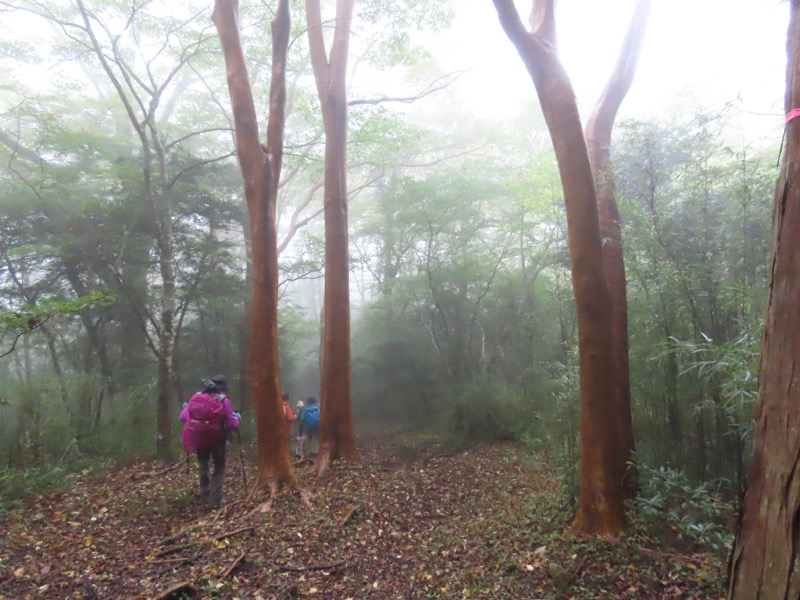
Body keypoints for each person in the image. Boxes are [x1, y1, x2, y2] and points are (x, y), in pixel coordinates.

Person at [180, 374, 240, 508]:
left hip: (200, 439)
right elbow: (232, 424)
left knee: (203, 466)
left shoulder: (196, 398)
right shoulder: (224, 400)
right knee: (219, 467)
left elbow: (182, 417)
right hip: (218, 439)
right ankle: (216, 498)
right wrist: (237, 417)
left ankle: (204, 495)